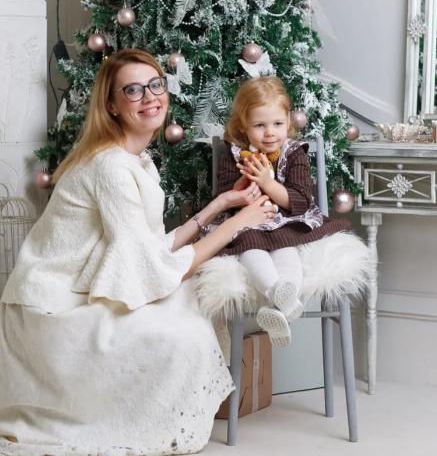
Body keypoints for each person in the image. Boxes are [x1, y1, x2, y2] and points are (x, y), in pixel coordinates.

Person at [0, 49, 275, 456]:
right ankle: (132, 421)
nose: (150, 97)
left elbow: (148, 249)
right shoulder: (110, 167)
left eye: (155, 85)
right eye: (133, 90)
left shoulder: (135, 159)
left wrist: (219, 206)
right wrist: (239, 222)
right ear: (112, 105)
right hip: (52, 308)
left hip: (74, 290)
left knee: (192, 302)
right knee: (182, 330)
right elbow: (149, 266)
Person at [214, 76, 350, 347]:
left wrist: (268, 183)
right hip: (248, 223)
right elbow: (226, 196)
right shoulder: (236, 154)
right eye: (259, 125)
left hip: (286, 220)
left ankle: (278, 305)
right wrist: (243, 187)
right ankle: (280, 298)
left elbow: (300, 200)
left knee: (288, 253)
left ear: (288, 121)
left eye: (277, 124)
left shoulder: (294, 152)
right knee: (250, 249)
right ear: (243, 126)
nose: (270, 133)